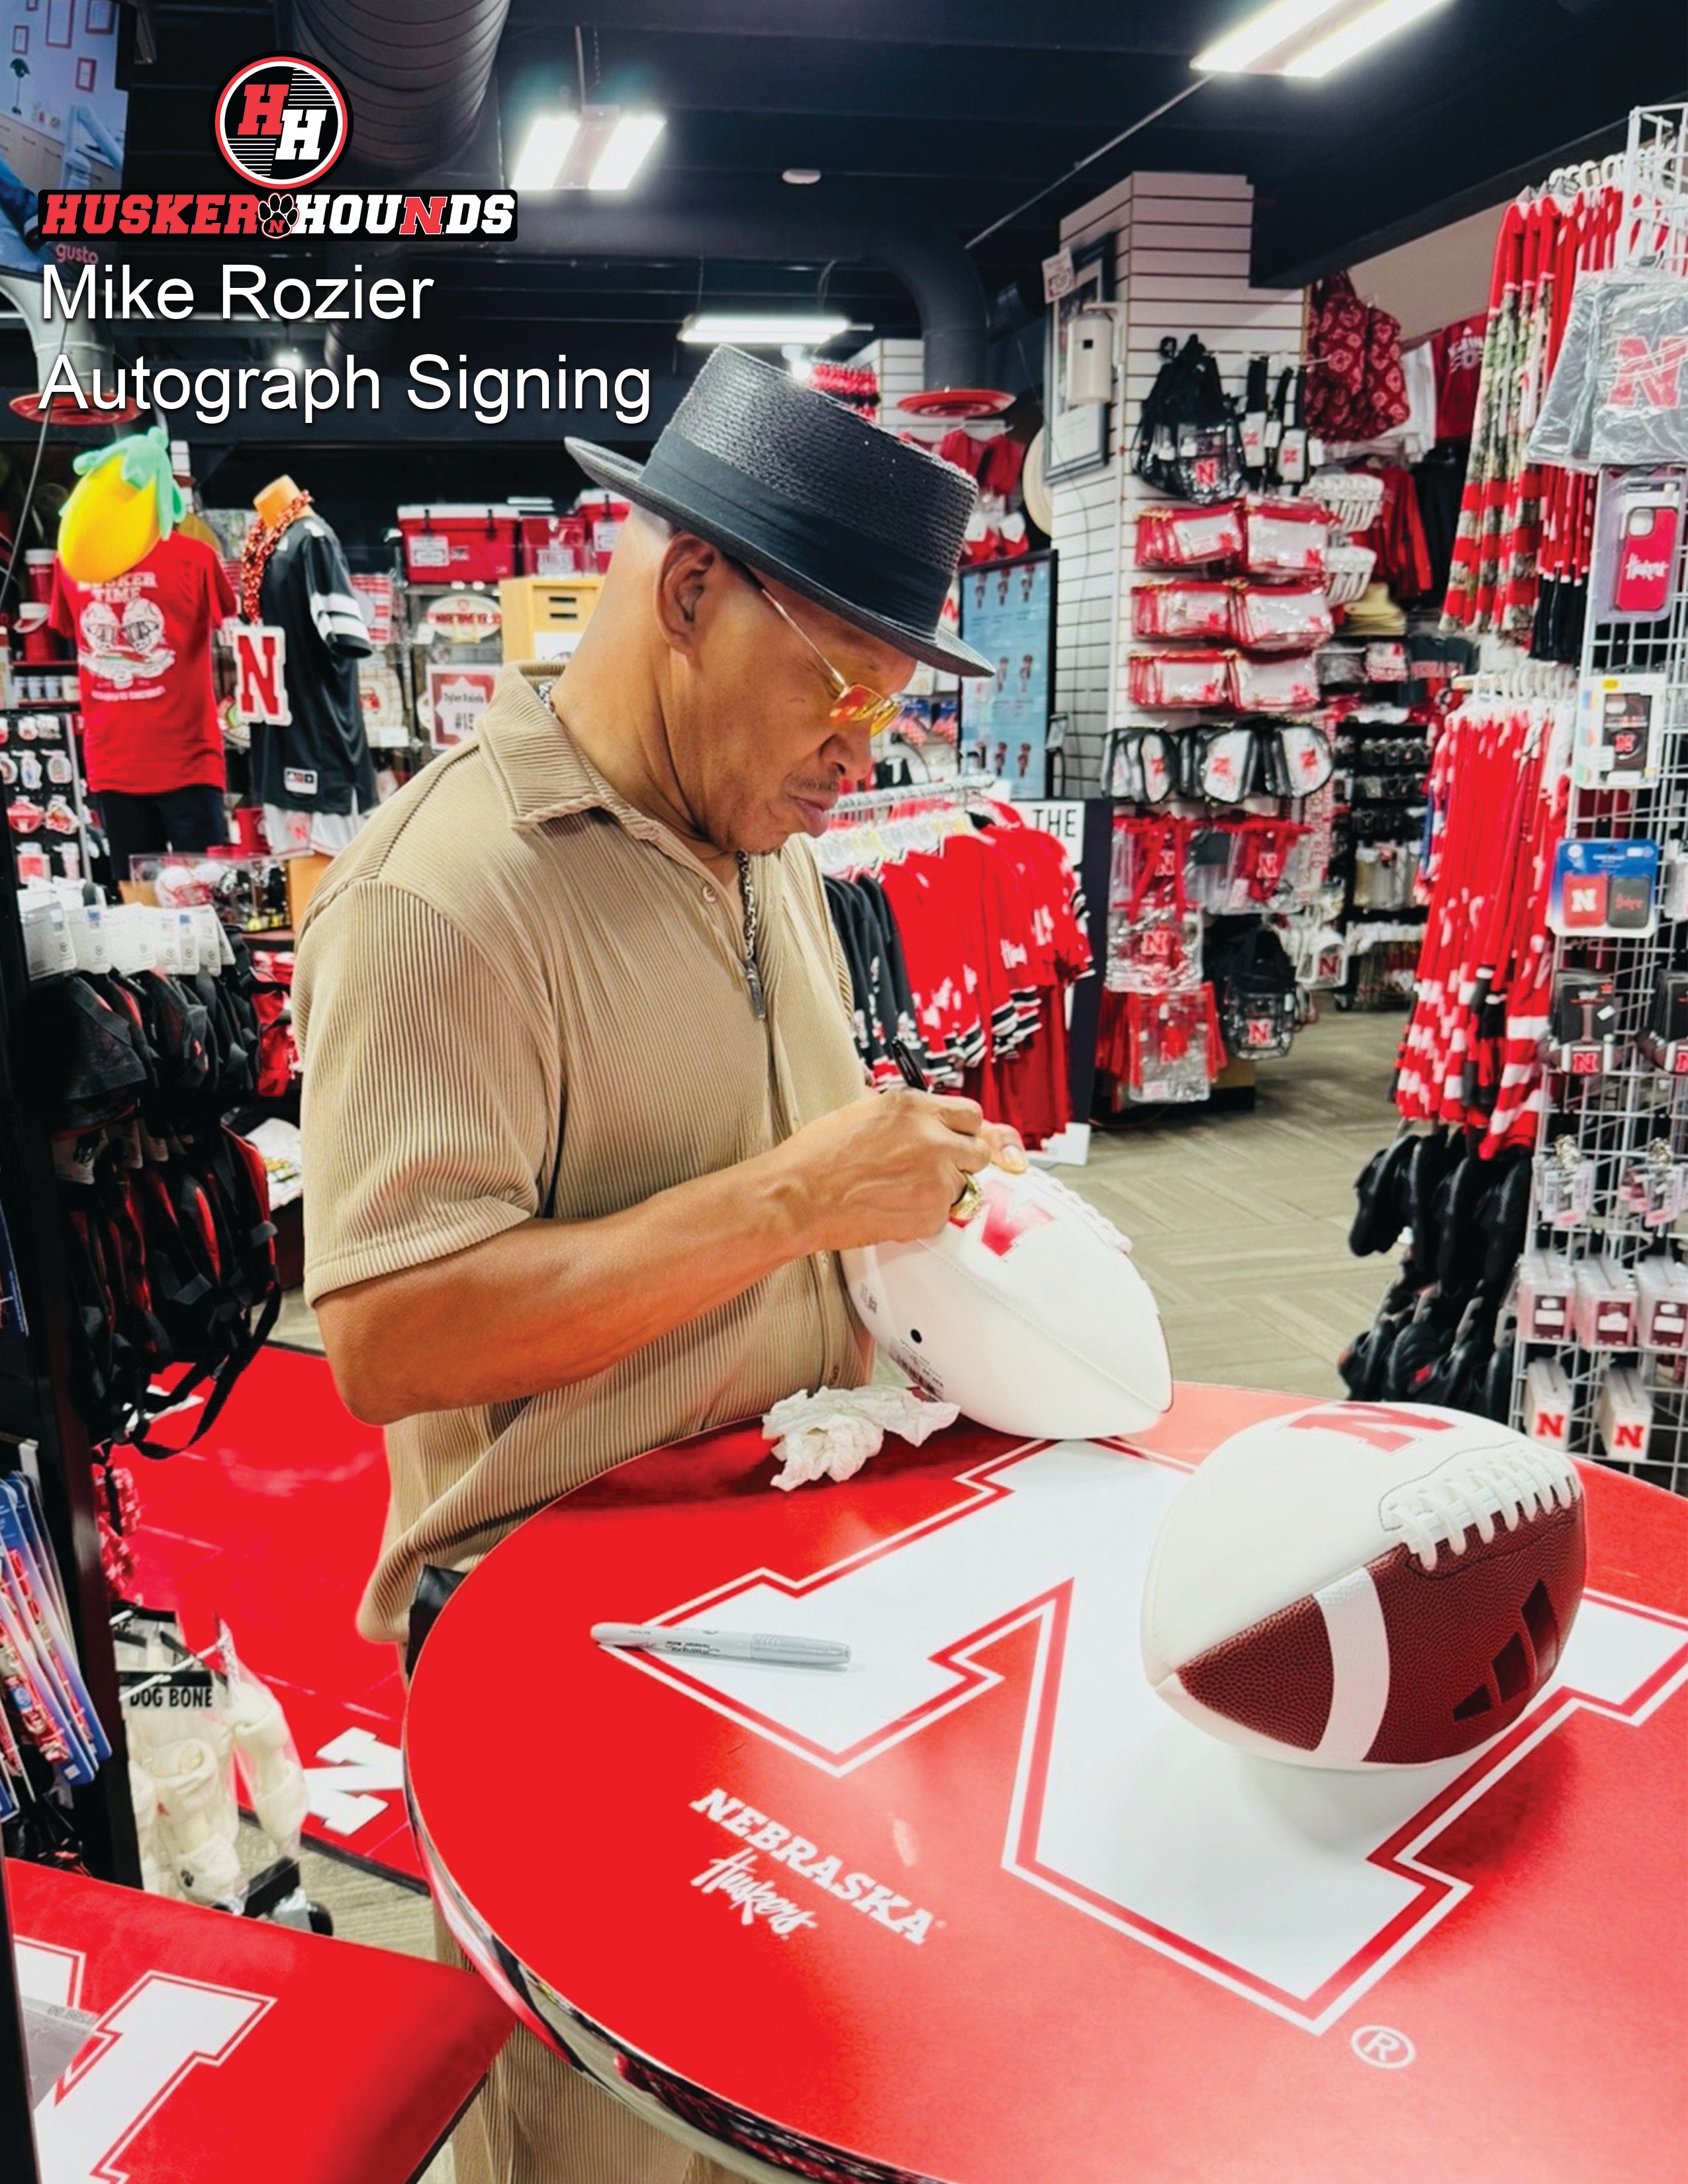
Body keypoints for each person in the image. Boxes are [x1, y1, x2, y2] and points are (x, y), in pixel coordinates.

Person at [294, 346, 1021, 2184]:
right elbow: (387, 1335)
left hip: (777, 1622)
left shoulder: (753, 835)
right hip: (557, 1677)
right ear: (690, 587)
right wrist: (796, 1200)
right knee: (608, 2151)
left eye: (895, 694)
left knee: (796, 2110)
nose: (866, 742)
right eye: (840, 677)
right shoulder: (442, 895)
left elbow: (778, 1197)